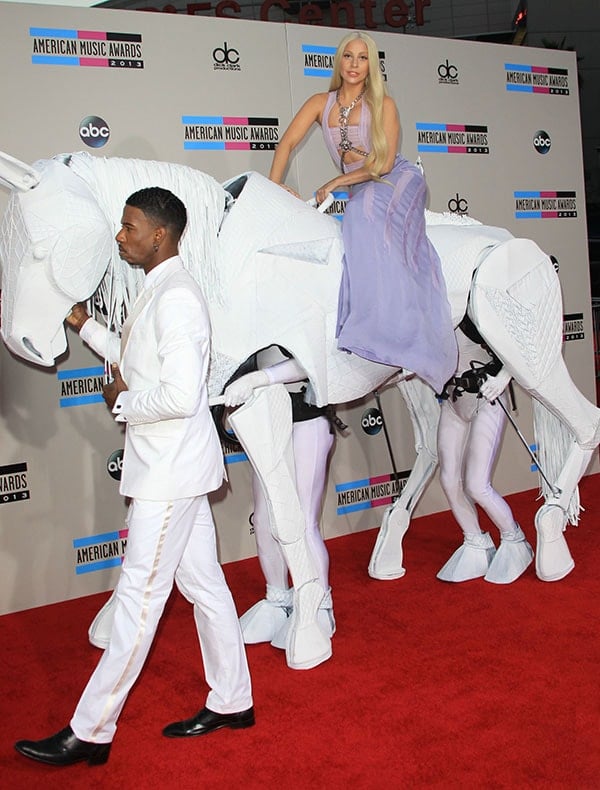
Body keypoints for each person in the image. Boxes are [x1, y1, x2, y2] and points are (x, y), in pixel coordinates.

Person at [14, 187, 253, 768]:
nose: (120, 236)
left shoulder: (178, 299)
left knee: (140, 602)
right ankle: (233, 699)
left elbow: (178, 394)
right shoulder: (160, 288)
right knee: (205, 588)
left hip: (168, 475)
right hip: (177, 468)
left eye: (129, 226)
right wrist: (82, 324)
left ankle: (90, 730)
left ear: (160, 235)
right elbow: (132, 353)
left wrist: (123, 400)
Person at [269, 31, 457, 395]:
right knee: (357, 213)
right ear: (338, 62)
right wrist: (274, 186)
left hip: (396, 179)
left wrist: (340, 181)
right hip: (362, 185)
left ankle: (386, 328)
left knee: (360, 215)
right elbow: (286, 143)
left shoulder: (384, 104)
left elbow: (383, 164)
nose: (354, 64)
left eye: (362, 58)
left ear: (371, 65)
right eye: (348, 57)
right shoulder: (319, 103)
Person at [222, 350, 335, 648]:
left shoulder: (294, 306)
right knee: (263, 520)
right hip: (267, 424)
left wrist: (261, 378)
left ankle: (320, 602)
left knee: (304, 521)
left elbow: (310, 359)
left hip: (307, 420)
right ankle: (278, 598)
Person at [436, 320, 534, 584]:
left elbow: (517, 338)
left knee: (477, 484)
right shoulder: (427, 310)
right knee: (448, 479)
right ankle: (475, 539)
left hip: (485, 397)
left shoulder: (472, 308)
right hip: (453, 400)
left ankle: (513, 537)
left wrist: (504, 377)